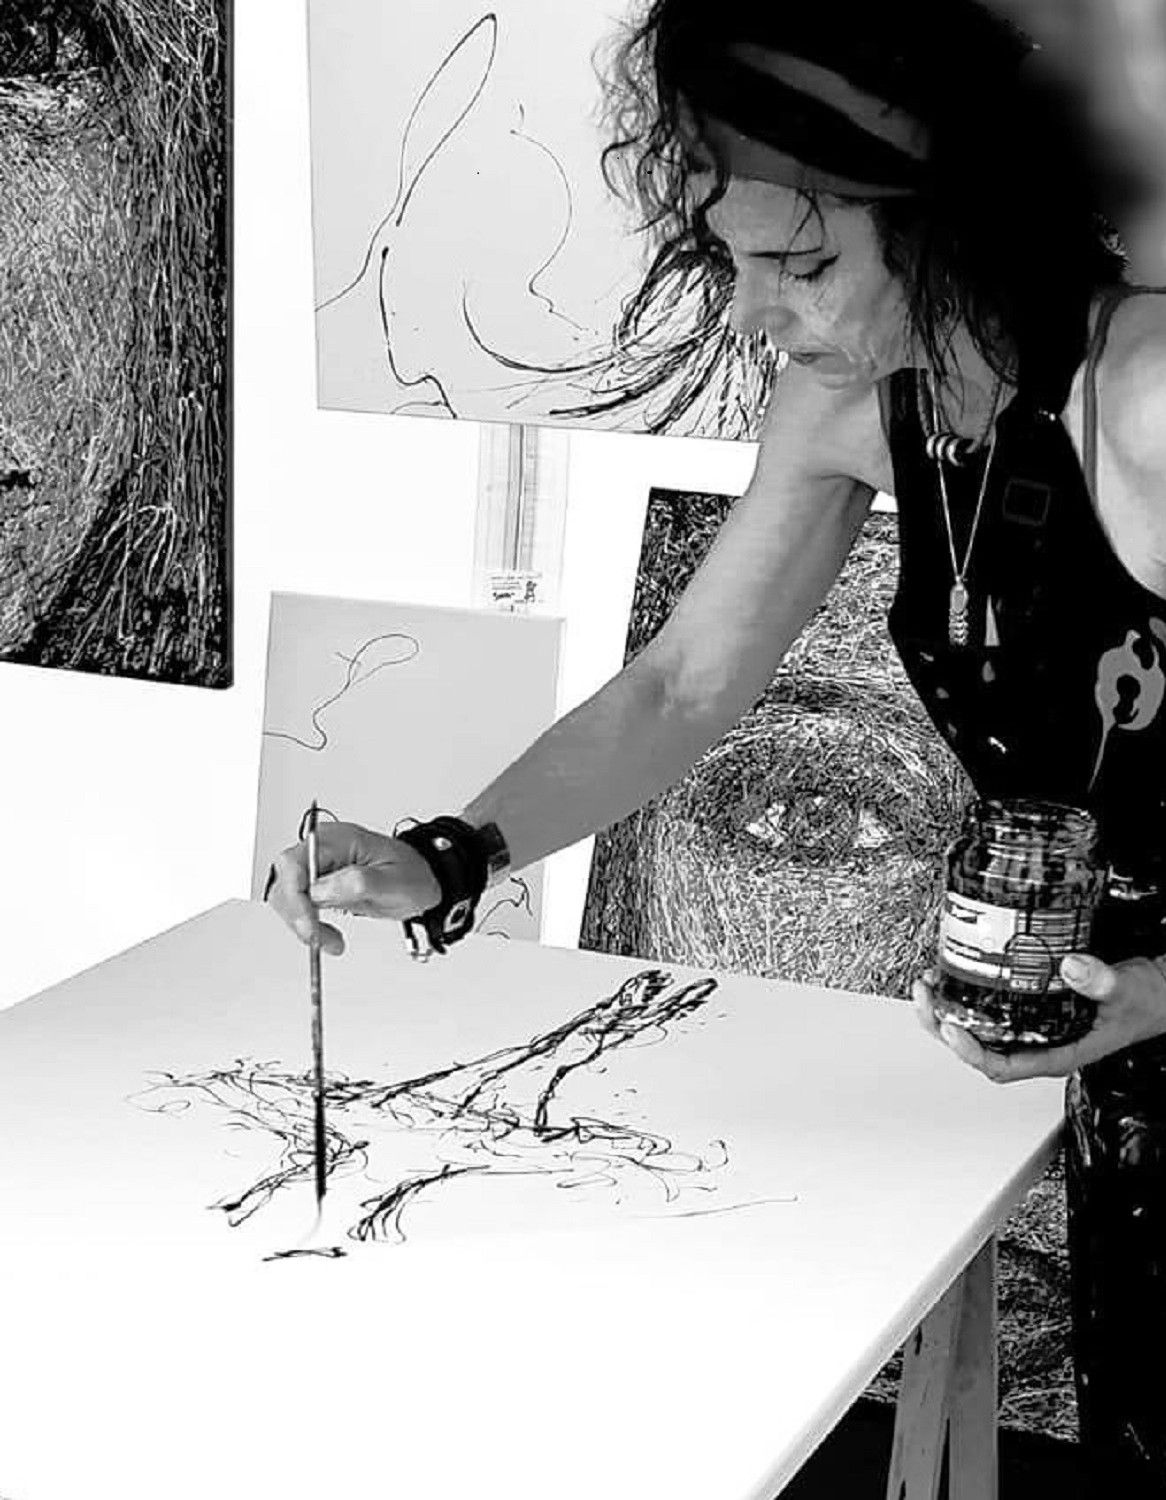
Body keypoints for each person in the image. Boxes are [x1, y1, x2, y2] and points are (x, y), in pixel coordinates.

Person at [268, 0, 1166, 1490]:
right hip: (1121, 1073)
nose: (755, 313)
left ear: (950, 221)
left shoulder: (1139, 402)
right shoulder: (852, 400)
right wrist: (451, 857)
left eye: (803, 265)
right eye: (731, 257)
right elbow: (683, 686)